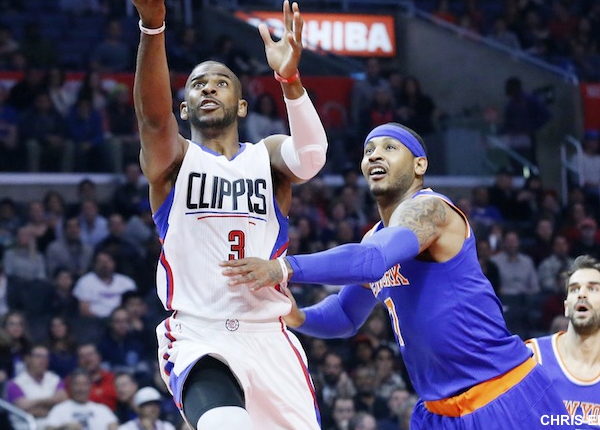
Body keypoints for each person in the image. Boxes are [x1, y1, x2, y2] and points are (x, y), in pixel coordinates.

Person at [221, 122, 568, 428]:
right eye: (368, 150)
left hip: (501, 394)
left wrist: (283, 267)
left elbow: (371, 262)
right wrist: (297, 316)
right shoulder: (375, 238)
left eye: (389, 148)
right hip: (439, 413)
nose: (374, 155)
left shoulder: (431, 210)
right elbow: (345, 315)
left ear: (420, 165)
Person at [116, 0, 327, 430]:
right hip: (199, 334)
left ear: (242, 105)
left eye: (221, 82)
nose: (209, 86)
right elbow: (153, 120)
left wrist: (291, 81)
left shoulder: (267, 156)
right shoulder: (174, 161)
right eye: (197, 84)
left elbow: (312, 158)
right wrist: (153, 25)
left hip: (268, 336)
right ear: (185, 106)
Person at [526, 256, 600, 429]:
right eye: (574, 289)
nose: (581, 294)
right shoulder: (533, 356)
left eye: (592, 288)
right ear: (566, 307)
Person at [45, 368, 118, 430]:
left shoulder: (102, 409)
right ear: (70, 386)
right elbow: (49, 428)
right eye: (77, 384)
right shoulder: (59, 409)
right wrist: (64, 428)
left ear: (90, 387)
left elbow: (114, 426)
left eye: (84, 384)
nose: (81, 389)